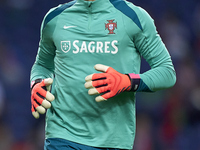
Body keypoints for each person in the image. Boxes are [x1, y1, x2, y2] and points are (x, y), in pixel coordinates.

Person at [30, 0, 176, 149]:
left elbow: (167, 72)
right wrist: (37, 82)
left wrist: (127, 82)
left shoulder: (133, 17)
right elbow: (42, 65)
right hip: (62, 136)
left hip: (112, 141)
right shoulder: (54, 18)